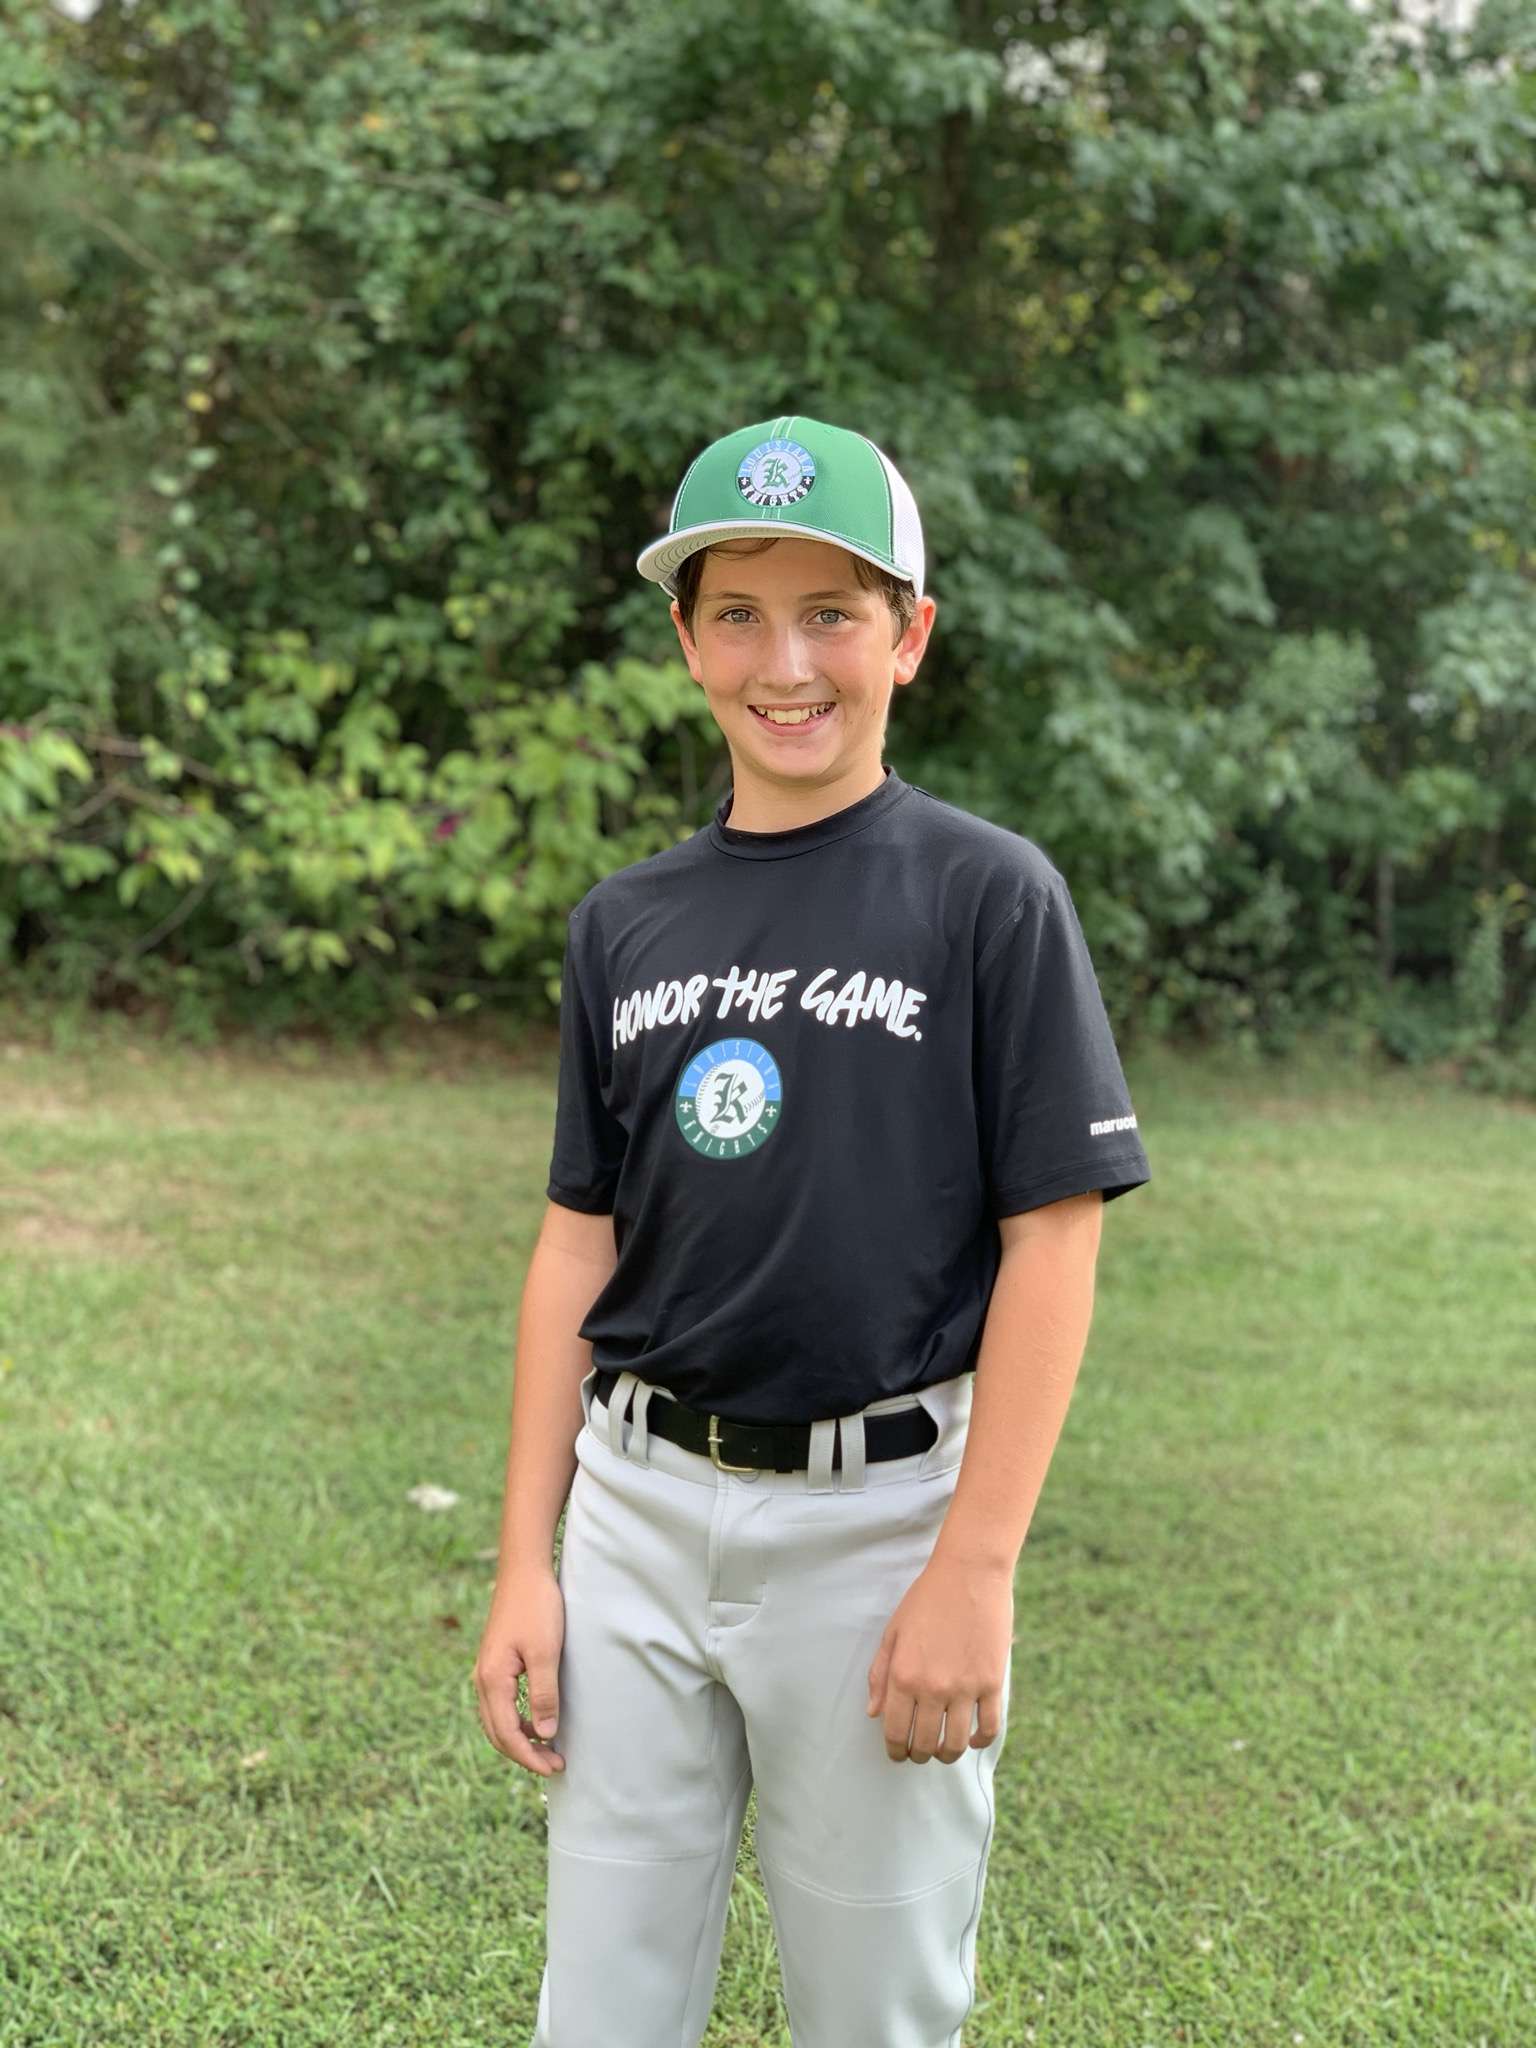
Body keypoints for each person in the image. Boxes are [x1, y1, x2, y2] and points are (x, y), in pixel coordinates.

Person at [474, 415, 1153, 2047]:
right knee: (603, 2009)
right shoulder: (626, 921)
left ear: (909, 637)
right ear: (688, 642)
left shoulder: (986, 896)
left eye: (831, 614)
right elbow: (577, 1244)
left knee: (873, 2010)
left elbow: (1056, 1242)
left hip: (881, 1523)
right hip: (637, 1512)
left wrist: (972, 1570)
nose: (785, 664)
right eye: (739, 615)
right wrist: (523, 1563)